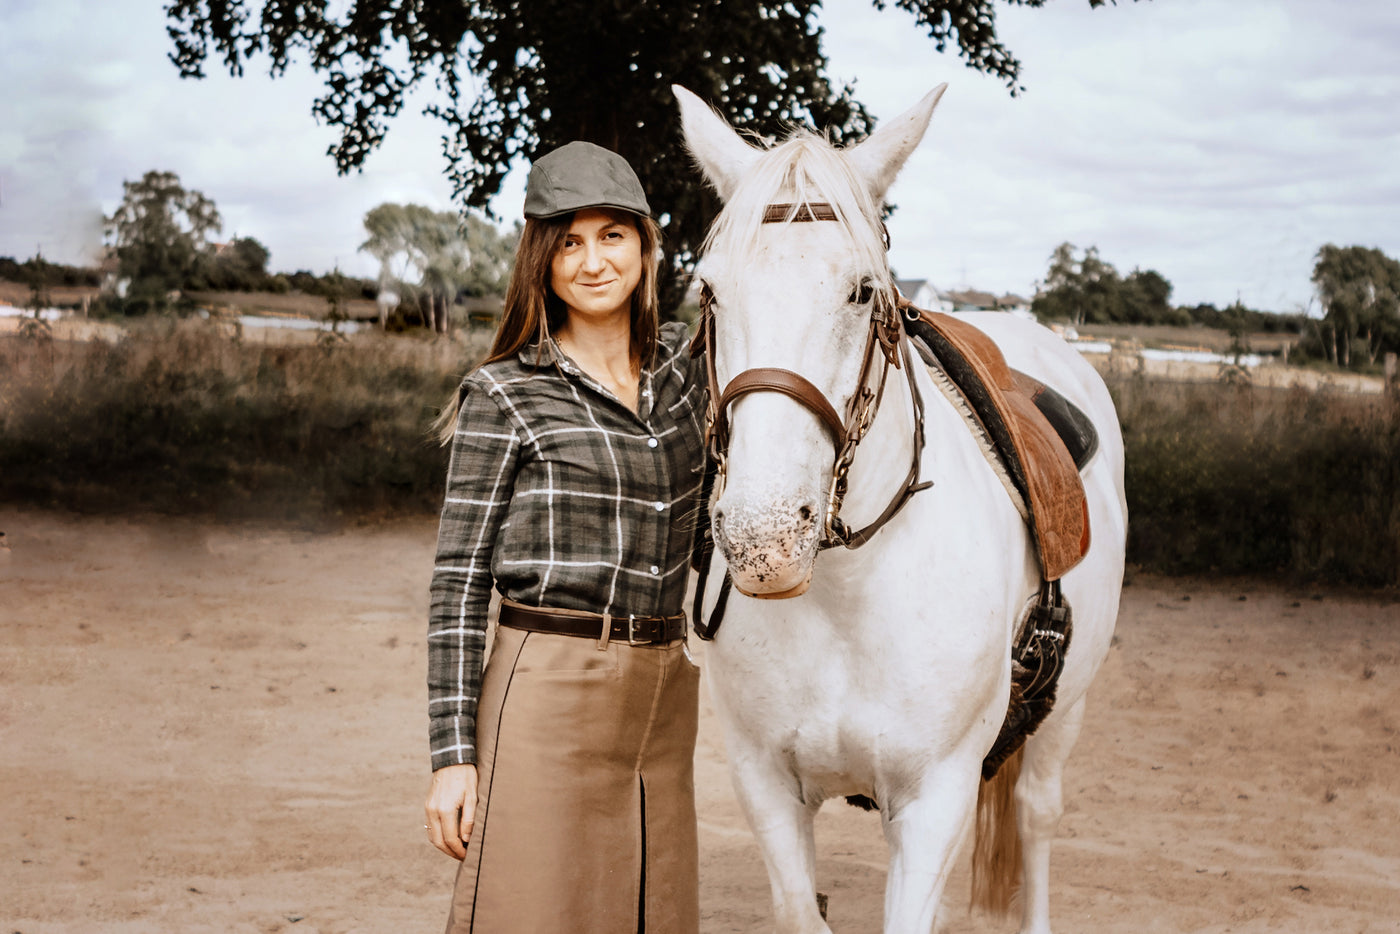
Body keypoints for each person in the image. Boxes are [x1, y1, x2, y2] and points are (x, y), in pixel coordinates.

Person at [423, 140, 707, 934]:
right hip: (547, 687)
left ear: (649, 247)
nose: (592, 261)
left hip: (664, 695)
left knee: (655, 914)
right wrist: (452, 758)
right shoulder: (504, 392)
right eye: (568, 241)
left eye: (613, 235)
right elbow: (456, 584)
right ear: (541, 261)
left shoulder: (692, 372)